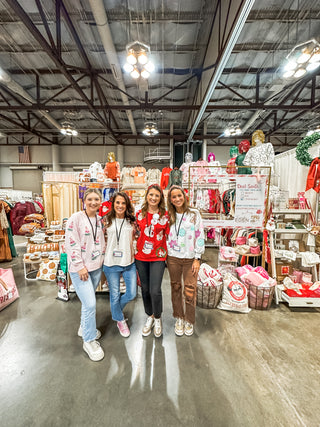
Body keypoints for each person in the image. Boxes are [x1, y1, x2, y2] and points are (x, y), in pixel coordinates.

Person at [65, 188, 106, 362]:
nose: (93, 202)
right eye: (90, 199)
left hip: (96, 266)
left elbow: (101, 241)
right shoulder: (75, 218)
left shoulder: (99, 219)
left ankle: (84, 327)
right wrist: (79, 266)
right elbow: (71, 243)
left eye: (96, 199)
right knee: (90, 304)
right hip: (80, 269)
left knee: (87, 303)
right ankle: (88, 341)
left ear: (100, 201)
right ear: (84, 200)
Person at [166, 185, 205, 337]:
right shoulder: (168, 215)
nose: (177, 199)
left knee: (190, 289)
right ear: (170, 200)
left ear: (184, 196)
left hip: (190, 259)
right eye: (173, 197)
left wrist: (197, 257)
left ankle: (189, 319)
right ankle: (179, 317)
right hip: (173, 258)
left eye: (179, 195)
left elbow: (200, 235)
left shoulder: (194, 213)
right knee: (175, 287)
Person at [135, 184, 170, 338]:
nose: (153, 198)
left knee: (155, 290)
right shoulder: (139, 214)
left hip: (158, 255)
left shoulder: (165, 216)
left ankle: (158, 317)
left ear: (160, 198)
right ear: (147, 196)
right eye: (151, 195)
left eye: (157, 195)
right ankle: (149, 316)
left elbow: (170, 236)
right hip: (141, 256)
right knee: (145, 289)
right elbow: (134, 233)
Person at [103, 192, 137, 338]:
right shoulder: (105, 221)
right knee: (115, 295)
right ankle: (120, 320)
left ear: (127, 205)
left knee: (131, 293)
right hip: (111, 263)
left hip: (129, 262)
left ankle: (116, 311)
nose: (120, 206)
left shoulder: (132, 221)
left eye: (123, 203)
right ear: (113, 204)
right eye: (117, 202)